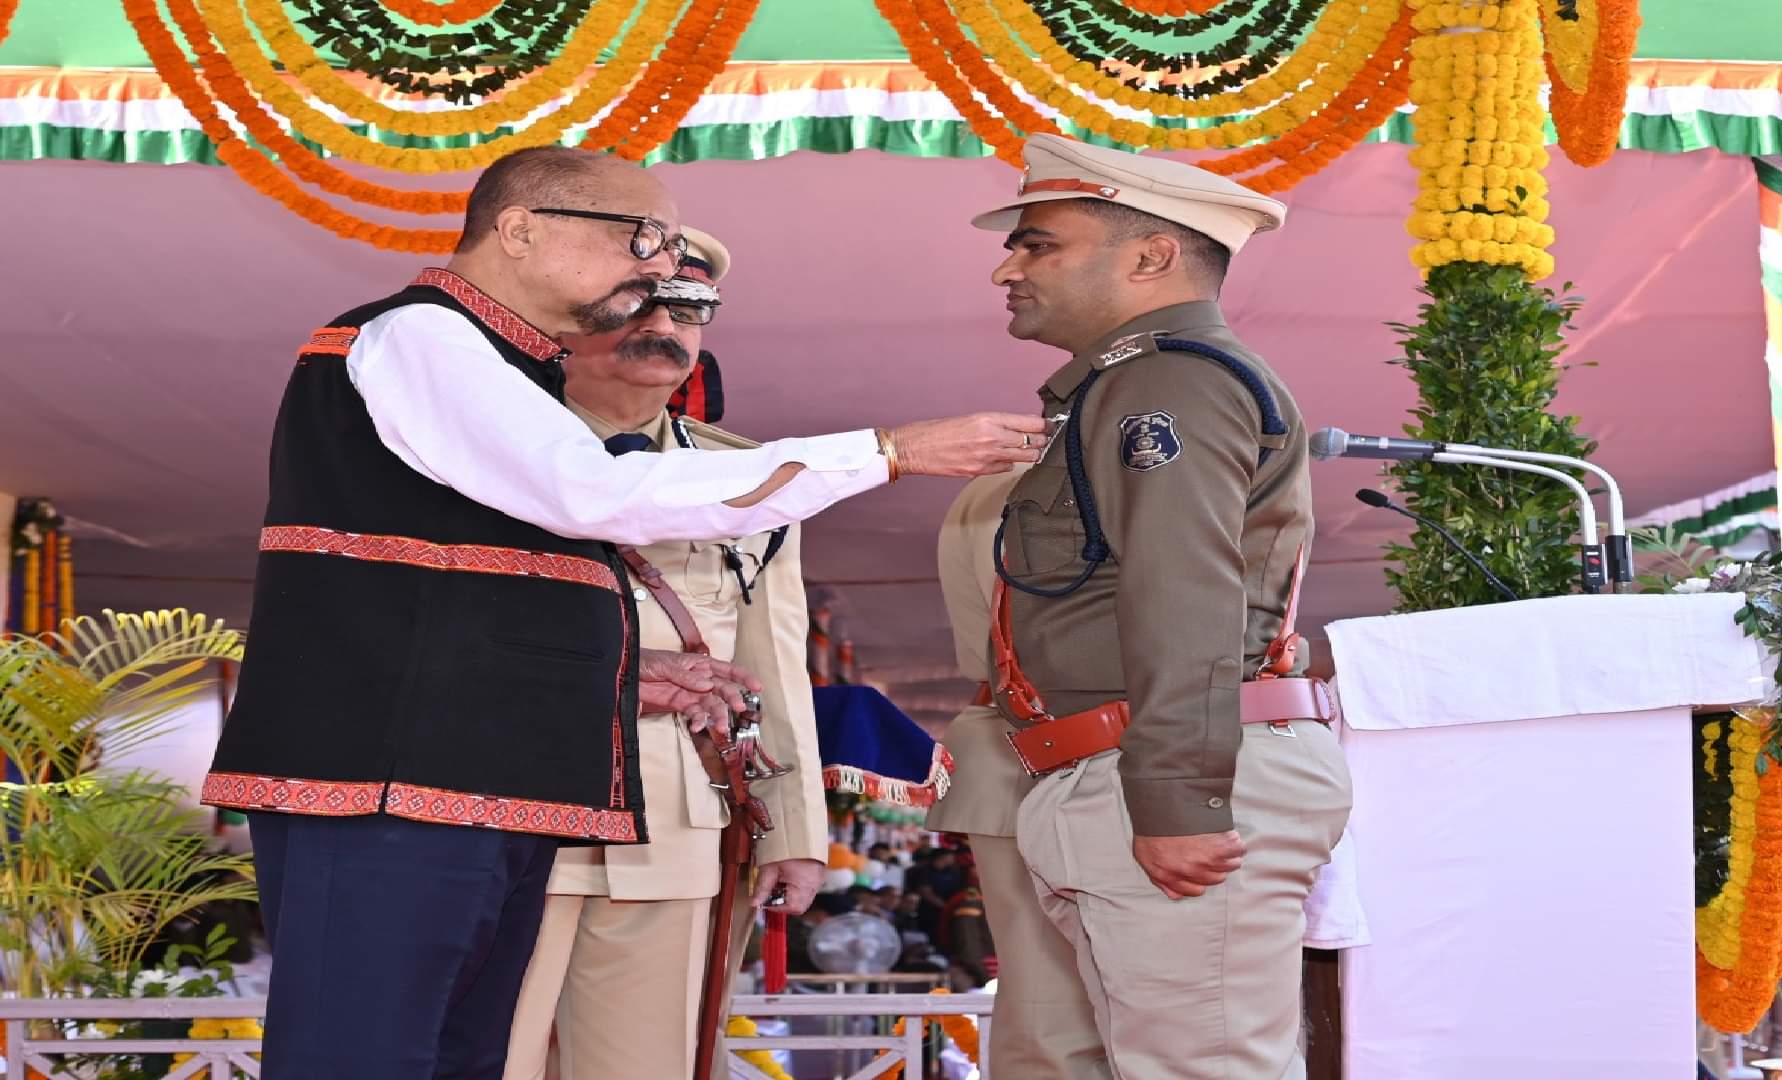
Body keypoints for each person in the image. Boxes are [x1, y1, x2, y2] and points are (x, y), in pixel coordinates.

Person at [201, 144, 1045, 1077]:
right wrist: (886, 450)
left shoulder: (508, 369)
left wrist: (620, 670)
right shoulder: (420, 337)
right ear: (518, 229)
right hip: (387, 789)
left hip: (487, 784)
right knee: (365, 1058)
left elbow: (467, 589)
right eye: (641, 237)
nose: (656, 265)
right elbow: (589, 493)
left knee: (456, 1060)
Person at [971, 133, 1352, 1078]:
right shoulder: (1126, 383)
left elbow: (1183, 590)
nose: (1005, 267)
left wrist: (1178, 796)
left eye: (1038, 243)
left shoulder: (1169, 379)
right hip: (1127, 761)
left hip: (1167, 764)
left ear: (1149, 256)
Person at [501, 228, 828, 1079]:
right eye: (639, 301)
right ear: (563, 321)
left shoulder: (751, 478)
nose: (667, 325)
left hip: (676, 826)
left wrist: (795, 831)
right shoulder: (480, 457)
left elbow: (772, 666)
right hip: (509, 812)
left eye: (689, 308)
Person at [925, 467, 1108, 1079]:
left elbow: (976, 650)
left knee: (1045, 1017)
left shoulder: (986, 488)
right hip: (1100, 746)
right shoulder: (1150, 465)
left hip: (1014, 742)